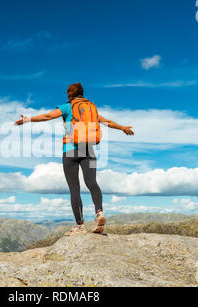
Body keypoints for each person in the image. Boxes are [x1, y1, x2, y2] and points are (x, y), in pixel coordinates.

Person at [15, 83, 134, 236]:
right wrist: (123, 127)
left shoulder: (68, 106)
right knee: (92, 182)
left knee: (74, 188)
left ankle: (79, 225)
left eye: (68, 92)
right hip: (89, 150)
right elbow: (107, 122)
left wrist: (29, 119)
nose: (67, 94)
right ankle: (99, 212)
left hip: (71, 150)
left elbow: (48, 116)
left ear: (71, 93)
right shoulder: (91, 109)